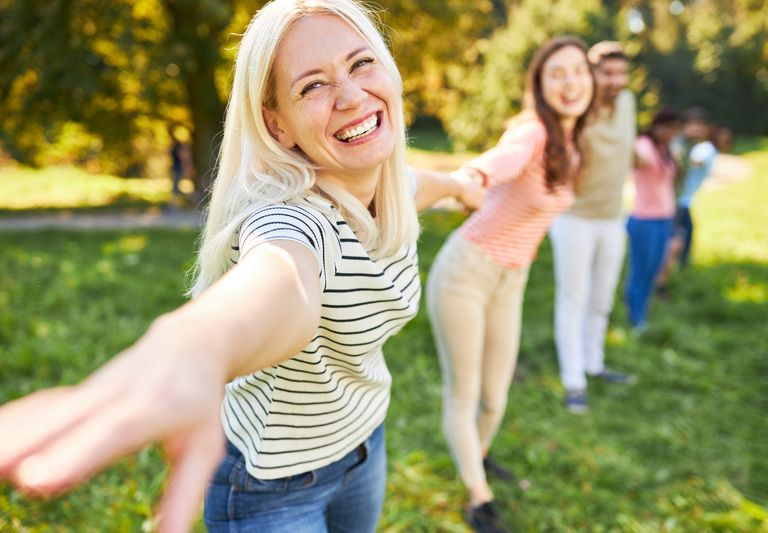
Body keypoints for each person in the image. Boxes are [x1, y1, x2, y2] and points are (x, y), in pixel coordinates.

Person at [0, 2, 483, 532]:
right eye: (312, 86)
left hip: (364, 442)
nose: (350, 96)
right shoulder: (293, 220)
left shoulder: (392, 191)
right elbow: (280, 278)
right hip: (270, 487)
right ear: (278, 125)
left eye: (361, 63)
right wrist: (198, 346)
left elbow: (423, 186)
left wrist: (464, 186)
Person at [425, 36, 595, 532]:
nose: (570, 82)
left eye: (577, 71)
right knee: (464, 393)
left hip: (511, 280)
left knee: (495, 396)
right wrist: (473, 176)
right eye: (556, 74)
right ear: (540, 86)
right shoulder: (533, 131)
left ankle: (476, 456)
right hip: (466, 271)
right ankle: (478, 498)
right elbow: (505, 158)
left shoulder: (574, 144)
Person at [548, 41, 637, 415]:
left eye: (621, 73)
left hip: (613, 218)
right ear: (591, 74)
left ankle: (594, 364)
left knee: (601, 300)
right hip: (575, 219)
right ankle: (573, 382)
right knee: (573, 299)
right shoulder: (577, 109)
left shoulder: (628, 102)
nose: (616, 81)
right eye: (607, 73)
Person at [624, 108, 681, 332]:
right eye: (666, 127)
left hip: (664, 218)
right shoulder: (644, 145)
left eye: (674, 128)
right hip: (644, 219)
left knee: (653, 269)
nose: (670, 132)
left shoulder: (667, 150)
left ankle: (642, 313)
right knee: (640, 270)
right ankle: (635, 317)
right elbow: (637, 158)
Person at [656, 108, 719, 292]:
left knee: (681, 242)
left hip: (680, 202)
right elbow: (690, 160)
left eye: (700, 125)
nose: (696, 129)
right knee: (675, 243)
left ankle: (669, 277)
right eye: (692, 124)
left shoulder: (696, 146)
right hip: (673, 203)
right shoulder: (679, 144)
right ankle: (661, 284)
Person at [168, 126, 195, 210]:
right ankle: (190, 201)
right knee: (177, 187)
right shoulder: (174, 144)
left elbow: (183, 158)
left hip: (178, 168)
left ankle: (175, 205)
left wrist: (186, 168)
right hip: (176, 168)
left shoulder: (178, 145)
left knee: (177, 187)